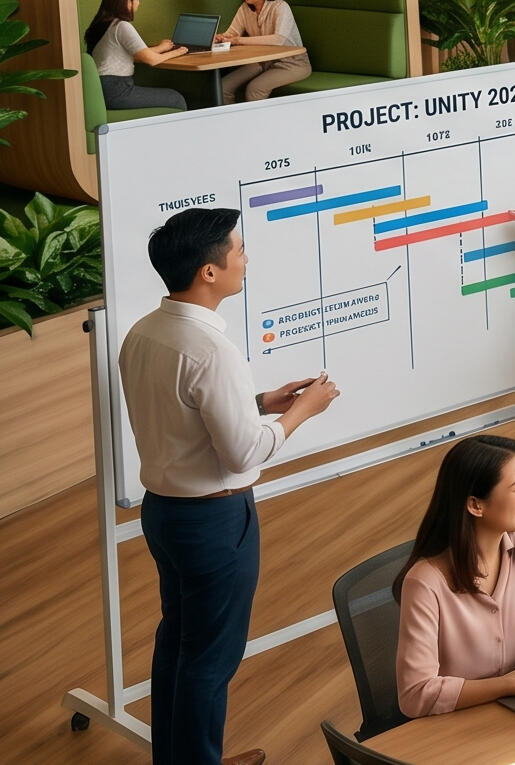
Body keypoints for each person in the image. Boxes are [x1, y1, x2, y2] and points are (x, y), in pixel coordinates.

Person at [122, 208, 342, 765]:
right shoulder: (211, 350)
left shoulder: (143, 333)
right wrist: (303, 411)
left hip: (164, 513)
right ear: (209, 272)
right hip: (215, 523)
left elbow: (182, 414)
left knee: (178, 640)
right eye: (238, 250)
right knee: (210, 660)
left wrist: (260, 403)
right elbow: (243, 452)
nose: (246, 259)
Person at [393, 435, 515, 718]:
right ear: (476, 505)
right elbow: (416, 693)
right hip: (457, 719)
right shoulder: (425, 582)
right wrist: (512, 685)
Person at [86, 0, 188, 110]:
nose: (139, 3)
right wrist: (178, 51)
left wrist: (161, 48)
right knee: (176, 98)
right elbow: (152, 60)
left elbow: (135, 55)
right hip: (117, 90)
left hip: (103, 89)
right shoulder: (121, 26)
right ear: (127, 2)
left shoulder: (102, 24)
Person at [217, 0, 308, 101]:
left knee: (255, 88)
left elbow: (279, 39)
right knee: (223, 87)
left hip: (292, 63)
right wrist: (221, 38)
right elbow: (232, 34)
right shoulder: (244, 9)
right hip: (261, 62)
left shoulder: (280, 6)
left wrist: (238, 40)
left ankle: (254, 117)